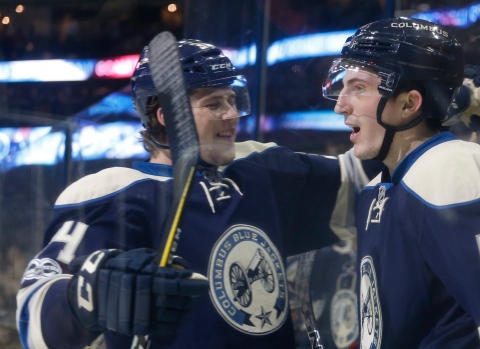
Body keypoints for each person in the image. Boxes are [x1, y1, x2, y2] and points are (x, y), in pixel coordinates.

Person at [16, 39, 379, 349]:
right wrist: (90, 296)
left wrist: (401, 105)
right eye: (214, 104)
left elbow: (369, 181)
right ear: (164, 115)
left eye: (233, 100)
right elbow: (34, 316)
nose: (232, 114)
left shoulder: (259, 166)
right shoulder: (115, 192)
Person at [322, 17, 480, 348]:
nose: (340, 105)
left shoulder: (451, 171)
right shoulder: (379, 189)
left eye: (358, 88)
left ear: (408, 104)